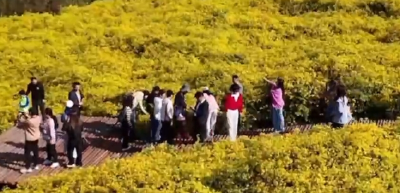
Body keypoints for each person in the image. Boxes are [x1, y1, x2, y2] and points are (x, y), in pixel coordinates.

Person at [17, 108, 42, 174]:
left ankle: (28, 168)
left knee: (27, 153)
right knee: (35, 151)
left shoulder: (29, 121)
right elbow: (30, 119)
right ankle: (36, 165)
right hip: (36, 137)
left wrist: (19, 117)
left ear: (31, 113)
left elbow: (19, 125)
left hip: (29, 138)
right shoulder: (38, 118)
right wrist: (27, 116)